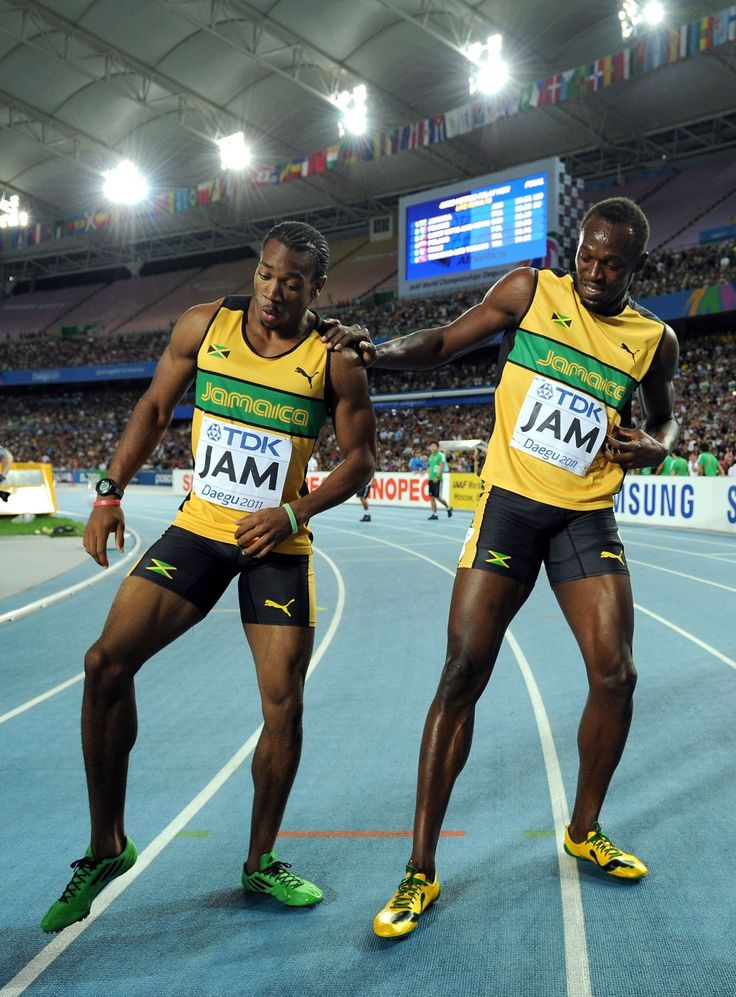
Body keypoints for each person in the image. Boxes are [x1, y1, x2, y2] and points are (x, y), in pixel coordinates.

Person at [323, 197, 679, 938]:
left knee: (617, 674)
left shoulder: (655, 339)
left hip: (585, 513)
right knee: (461, 673)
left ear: (635, 266)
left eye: (611, 263)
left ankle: (584, 827)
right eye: (586, 254)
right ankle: (419, 870)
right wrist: (380, 352)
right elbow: (446, 341)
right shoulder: (530, 290)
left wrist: (659, 443)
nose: (593, 270)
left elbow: (664, 415)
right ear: (574, 247)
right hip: (511, 505)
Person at [40, 220, 376, 933]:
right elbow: (154, 408)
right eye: (264, 273)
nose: (271, 290)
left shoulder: (334, 358)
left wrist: (294, 512)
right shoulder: (204, 326)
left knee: (283, 705)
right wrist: (108, 493)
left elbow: (360, 460)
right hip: (200, 528)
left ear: (317, 288)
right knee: (104, 663)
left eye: (291, 281)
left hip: (276, 543)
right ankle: (107, 844)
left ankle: (260, 861)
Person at [426, 441, 452, 520]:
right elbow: (430, 467)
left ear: (437, 447)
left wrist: (437, 477)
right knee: (431, 497)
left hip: (437, 479)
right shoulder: (430, 456)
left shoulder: (441, 455)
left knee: (437, 497)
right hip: (431, 479)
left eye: (434, 446)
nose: (432, 447)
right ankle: (434, 514)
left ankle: (448, 507)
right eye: (431, 446)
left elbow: (442, 466)